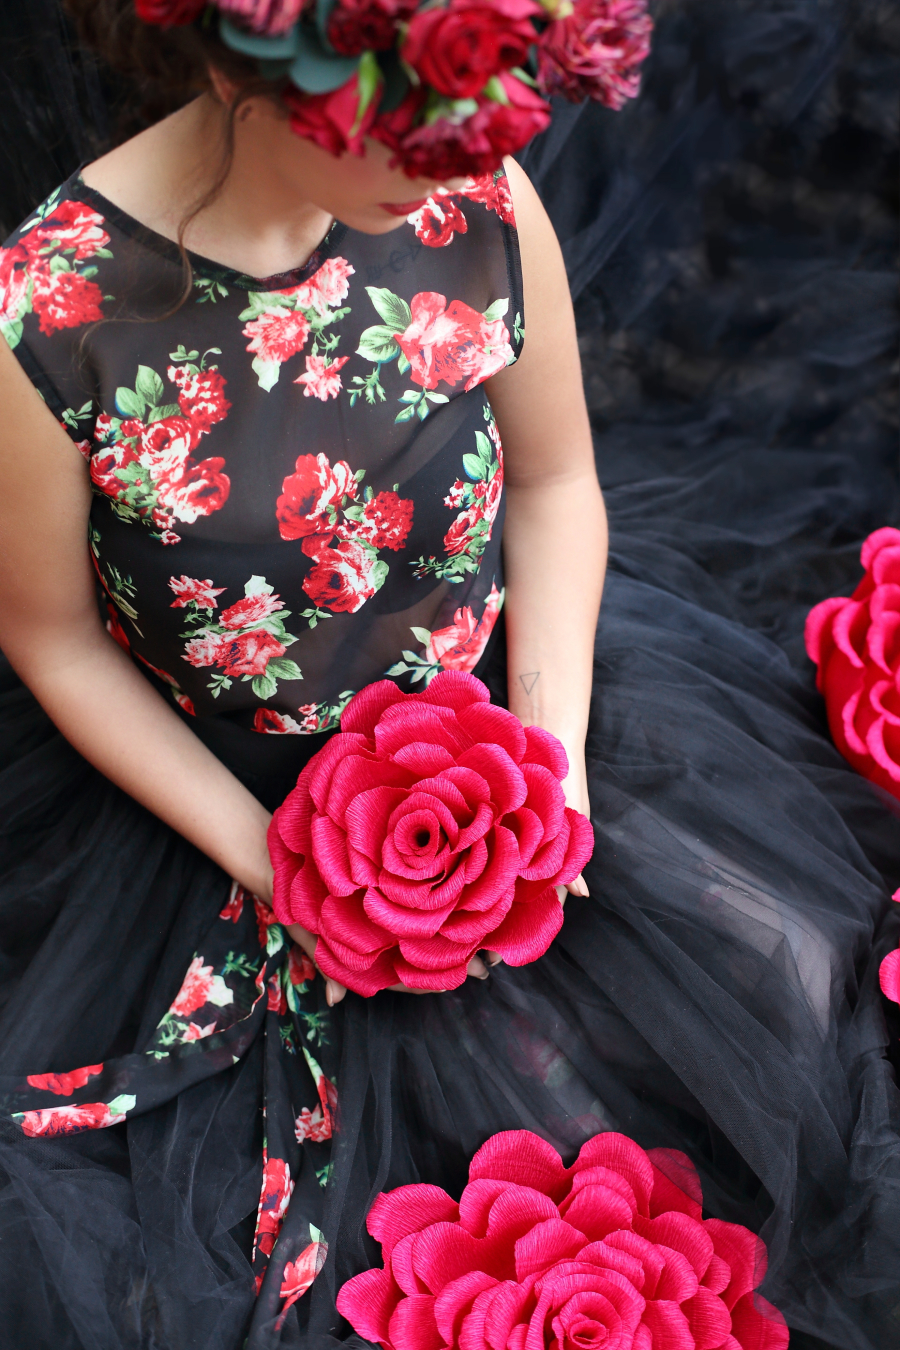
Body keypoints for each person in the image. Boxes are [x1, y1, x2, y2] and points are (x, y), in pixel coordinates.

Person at [0, 2, 897, 1348]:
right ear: (280, 98)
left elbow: (556, 485)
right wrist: (281, 864)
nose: (455, 172)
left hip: (496, 712)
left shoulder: (471, 199)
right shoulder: (52, 311)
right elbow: (49, 635)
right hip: (230, 786)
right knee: (265, 1244)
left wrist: (552, 770)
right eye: (413, 148)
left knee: (781, 979)